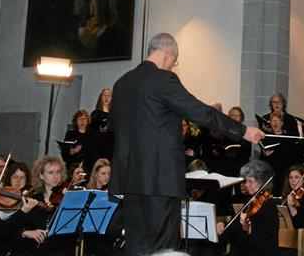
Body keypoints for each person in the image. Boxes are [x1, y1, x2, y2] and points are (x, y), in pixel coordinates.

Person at [110, 33, 264, 256]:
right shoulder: (164, 80)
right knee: (162, 249)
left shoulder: (122, 83)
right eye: (175, 60)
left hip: (130, 182)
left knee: (135, 248)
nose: (173, 65)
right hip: (160, 181)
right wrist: (242, 131)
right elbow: (200, 112)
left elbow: (115, 125)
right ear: (169, 53)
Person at [216, 160, 278, 256]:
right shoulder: (249, 202)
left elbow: (263, 243)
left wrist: (248, 229)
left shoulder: (269, 206)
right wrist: (222, 225)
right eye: (246, 181)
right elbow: (232, 231)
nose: (247, 185)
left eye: (251, 181)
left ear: (261, 182)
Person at [61, 108, 96, 173]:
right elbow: (64, 154)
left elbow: (94, 154)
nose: (82, 121)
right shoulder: (70, 134)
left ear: (88, 121)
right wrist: (72, 152)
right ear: (76, 122)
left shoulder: (92, 136)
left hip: (87, 168)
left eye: (84, 119)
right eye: (80, 119)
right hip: (72, 168)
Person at [90, 88, 114, 160]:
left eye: (109, 96)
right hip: (98, 147)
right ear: (100, 97)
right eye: (104, 95)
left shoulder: (114, 114)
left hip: (110, 147)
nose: (106, 98)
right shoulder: (95, 113)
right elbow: (90, 130)